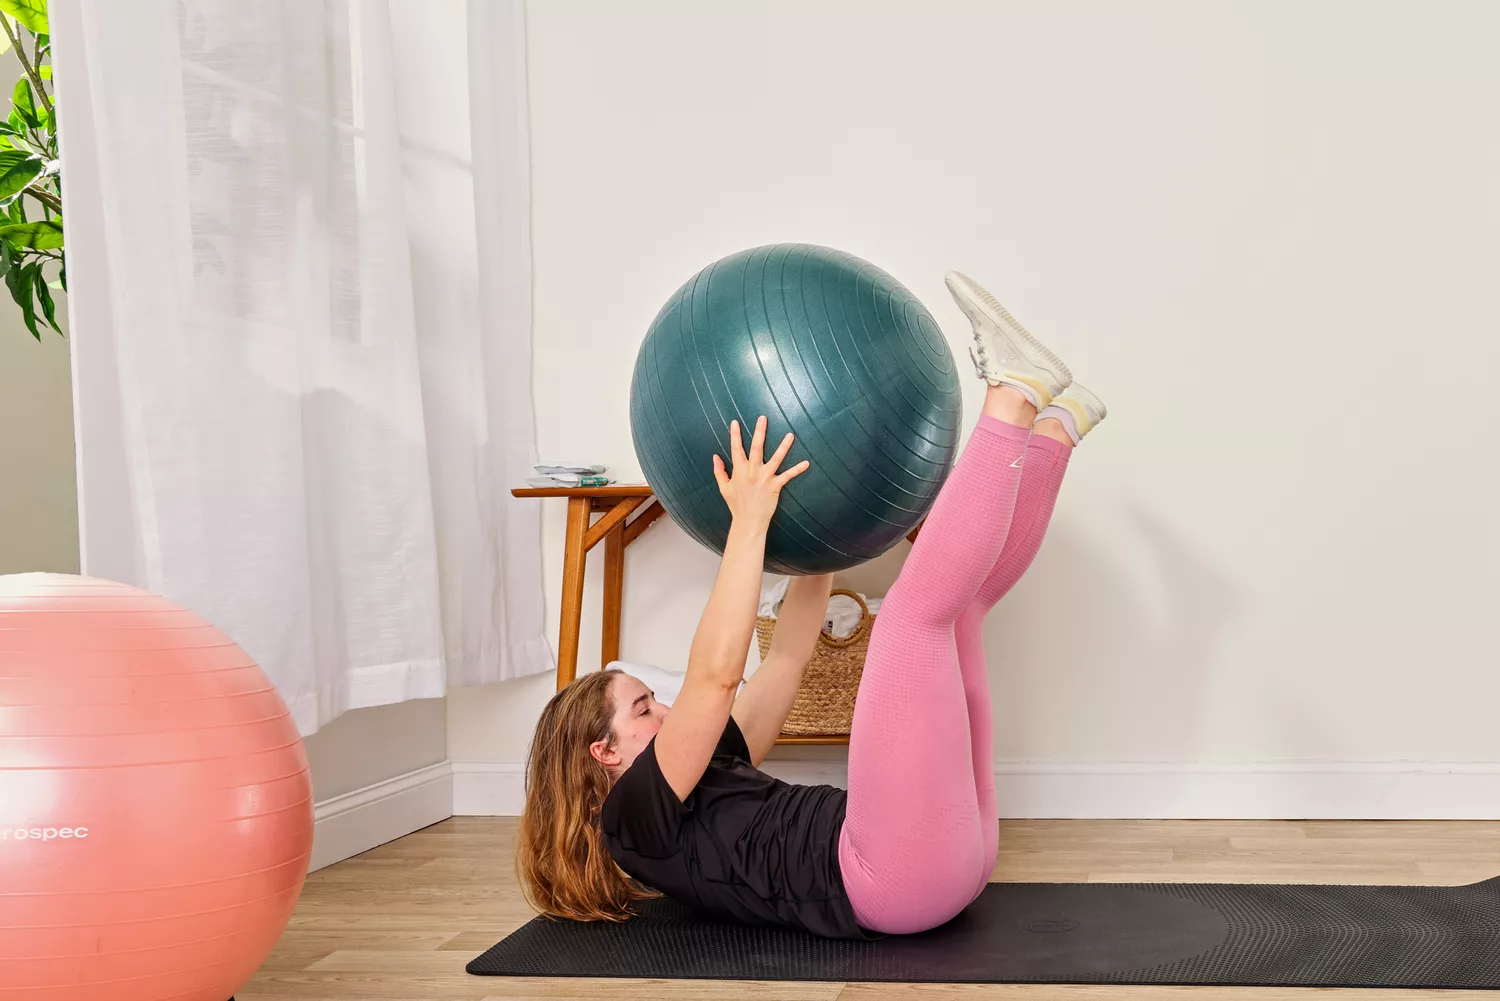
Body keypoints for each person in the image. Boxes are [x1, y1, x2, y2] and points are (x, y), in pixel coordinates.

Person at [515, 272, 1108, 938]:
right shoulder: (633, 818)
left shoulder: (713, 763)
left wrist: (827, 529)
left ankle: (1055, 428)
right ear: (605, 753)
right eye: (643, 708)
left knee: (962, 611)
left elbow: (790, 655)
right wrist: (748, 520)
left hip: (947, 861)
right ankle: (1014, 396)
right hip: (892, 880)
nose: (665, 706)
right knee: (912, 622)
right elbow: (714, 678)